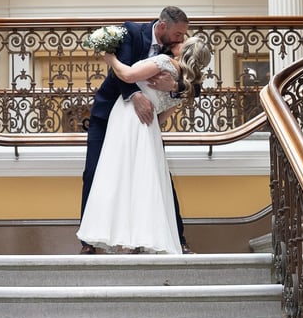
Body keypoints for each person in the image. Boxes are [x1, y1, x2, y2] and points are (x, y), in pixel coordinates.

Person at [77, 37, 211, 254]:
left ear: (183, 50)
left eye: (184, 41)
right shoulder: (181, 84)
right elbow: (162, 117)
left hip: (129, 119)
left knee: (121, 177)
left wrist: (110, 57)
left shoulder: (164, 63)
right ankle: (132, 240)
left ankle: (126, 241)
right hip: (149, 129)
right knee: (140, 181)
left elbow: (128, 75)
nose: (179, 40)